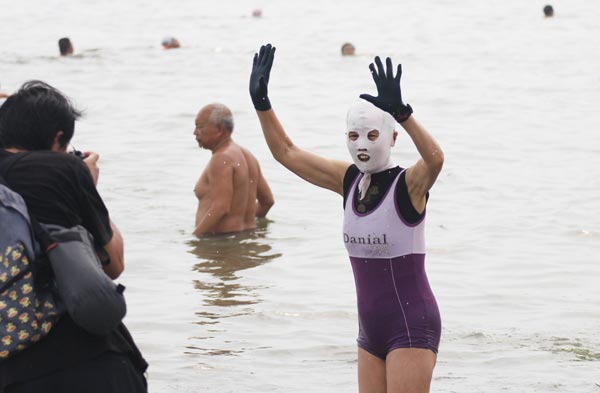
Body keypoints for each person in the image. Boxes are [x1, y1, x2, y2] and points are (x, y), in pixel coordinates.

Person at [249, 44, 444, 393]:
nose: (362, 144)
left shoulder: (408, 185)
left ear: (392, 137)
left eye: (372, 135)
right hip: (370, 332)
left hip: (411, 325)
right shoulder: (348, 180)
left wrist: (404, 114)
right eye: (353, 136)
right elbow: (286, 152)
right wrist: (262, 104)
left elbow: (435, 160)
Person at [0, 81, 148, 392]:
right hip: (89, 360)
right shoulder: (62, 170)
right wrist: (88, 185)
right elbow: (113, 262)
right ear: (58, 137)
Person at [193, 103, 274, 236]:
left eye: (200, 127)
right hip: (245, 240)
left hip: (220, 244)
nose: (195, 133)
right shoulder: (249, 157)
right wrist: (244, 223)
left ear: (219, 129)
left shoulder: (221, 158)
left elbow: (221, 208)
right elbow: (267, 201)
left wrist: (195, 239)